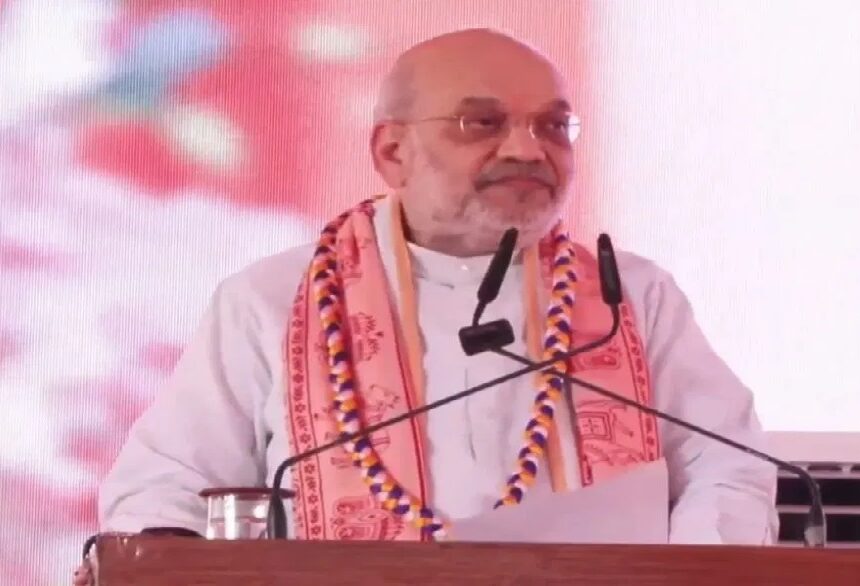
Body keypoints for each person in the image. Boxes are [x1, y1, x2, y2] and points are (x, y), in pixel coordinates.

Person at [91, 28, 777, 559]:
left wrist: (686, 572)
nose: (528, 150)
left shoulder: (628, 297)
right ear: (392, 153)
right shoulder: (275, 299)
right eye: (483, 124)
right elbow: (166, 488)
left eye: (552, 126)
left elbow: (726, 463)